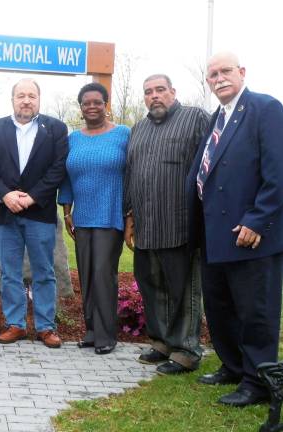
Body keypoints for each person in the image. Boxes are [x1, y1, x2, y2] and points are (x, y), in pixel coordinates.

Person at [187, 52, 283, 407]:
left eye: (225, 71)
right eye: (212, 74)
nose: (219, 78)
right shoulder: (218, 117)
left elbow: (278, 172)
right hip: (214, 234)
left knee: (255, 311)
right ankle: (233, 365)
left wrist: (258, 219)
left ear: (242, 73)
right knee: (220, 306)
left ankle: (258, 381)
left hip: (251, 234)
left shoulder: (265, 109)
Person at [123, 74, 209, 375]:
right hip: (146, 225)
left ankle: (186, 350)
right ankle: (161, 342)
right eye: (148, 92)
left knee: (183, 291)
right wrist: (129, 215)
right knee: (152, 287)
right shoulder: (139, 128)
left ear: (173, 91)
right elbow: (131, 174)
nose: (154, 96)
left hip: (180, 225)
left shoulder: (194, 118)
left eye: (160, 90)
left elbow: (211, 163)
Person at [0, 78, 68, 348]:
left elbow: (58, 168)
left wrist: (31, 197)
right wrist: (6, 195)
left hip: (39, 212)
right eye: (21, 95)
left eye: (31, 95)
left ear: (39, 99)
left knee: (44, 270)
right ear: (13, 99)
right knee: (9, 272)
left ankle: (45, 327)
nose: (26, 100)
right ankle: (15, 324)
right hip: (4, 213)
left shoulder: (55, 129)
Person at [58, 82, 129, 355]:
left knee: (103, 273)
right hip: (82, 217)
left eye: (97, 102)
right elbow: (65, 178)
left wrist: (130, 212)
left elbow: (131, 174)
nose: (91, 106)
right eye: (86, 102)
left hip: (110, 215)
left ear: (105, 104)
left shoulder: (123, 134)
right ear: (81, 107)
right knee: (86, 275)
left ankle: (106, 334)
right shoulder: (72, 139)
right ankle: (90, 330)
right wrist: (66, 212)